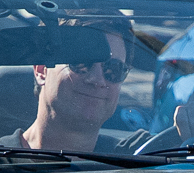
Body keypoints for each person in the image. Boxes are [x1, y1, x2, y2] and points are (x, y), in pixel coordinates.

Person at [18, 23, 132, 152]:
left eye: (114, 69)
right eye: (81, 63)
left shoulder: (144, 159)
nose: (97, 80)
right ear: (41, 70)